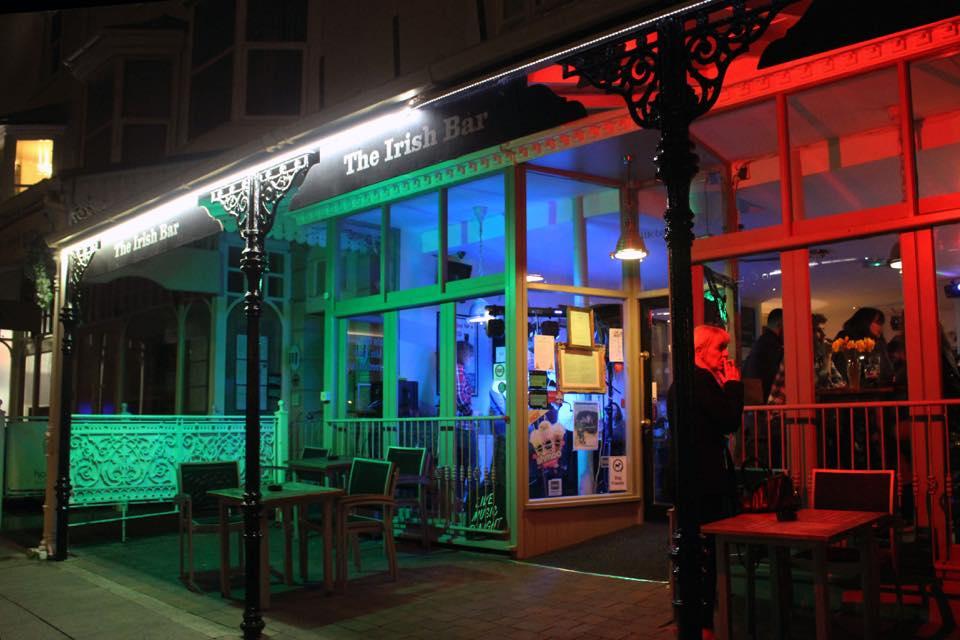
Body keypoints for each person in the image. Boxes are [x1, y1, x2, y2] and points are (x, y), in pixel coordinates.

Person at [669, 324, 744, 637]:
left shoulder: (684, 383)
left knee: (697, 548)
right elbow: (729, 420)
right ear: (700, 352)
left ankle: (695, 618)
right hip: (705, 478)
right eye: (719, 348)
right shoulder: (701, 382)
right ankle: (703, 622)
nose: (725, 355)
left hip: (690, 477)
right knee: (707, 549)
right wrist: (734, 387)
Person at [833, 307, 894, 387]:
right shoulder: (846, 339)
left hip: (881, 388)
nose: (880, 327)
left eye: (881, 323)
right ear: (865, 322)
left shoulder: (878, 342)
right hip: (859, 390)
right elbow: (844, 368)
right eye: (878, 322)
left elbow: (887, 370)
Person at [743, 308, 783, 402]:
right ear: (780, 324)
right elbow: (778, 376)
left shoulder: (761, 342)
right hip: (764, 400)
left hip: (752, 399)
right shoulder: (773, 345)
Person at [456, 340, 474, 416]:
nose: (471, 358)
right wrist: (469, 412)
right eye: (470, 355)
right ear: (462, 355)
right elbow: (459, 395)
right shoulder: (458, 369)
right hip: (460, 417)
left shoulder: (459, 368)